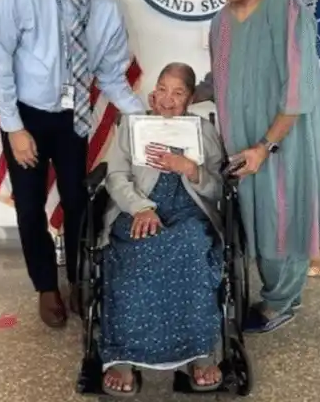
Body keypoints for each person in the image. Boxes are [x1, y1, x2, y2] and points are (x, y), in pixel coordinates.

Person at [0, 0, 146, 329]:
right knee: (31, 205)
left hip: (74, 115)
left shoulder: (107, 7)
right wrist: (14, 128)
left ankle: (78, 279)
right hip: (25, 115)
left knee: (78, 202)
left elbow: (110, 74)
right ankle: (45, 287)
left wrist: (143, 118)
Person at [172, 0, 320, 333]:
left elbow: (298, 92)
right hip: (239, 145)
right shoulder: (220, 23)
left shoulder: (287, 8)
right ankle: (264, 292)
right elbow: (222, 77)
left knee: (283, 219)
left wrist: (265, 146)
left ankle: (282, 302)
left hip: (284, 143)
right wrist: (183, 95)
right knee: (252, 219)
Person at [99, 63, 225, 396]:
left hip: (188, 212)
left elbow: (217, 189)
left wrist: (192, 170)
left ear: (190, 98)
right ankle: (123, 356)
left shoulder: (203, 131)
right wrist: (140, 206)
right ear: (154, 91)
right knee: (136, 252)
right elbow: (115, 176)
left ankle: (199, 354)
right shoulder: (132, 123)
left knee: (191, 247)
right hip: (138, 209)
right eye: (163, 89)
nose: (168, 99)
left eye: (178, 92)